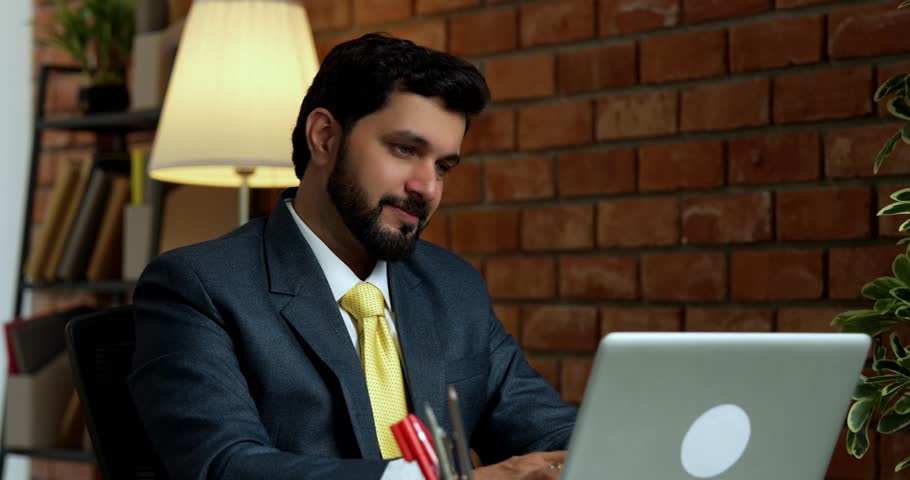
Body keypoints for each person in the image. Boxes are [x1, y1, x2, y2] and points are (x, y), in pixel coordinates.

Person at [129, 33, 577, 480]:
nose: (427, 188)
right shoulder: (198, 287)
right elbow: (224, 467)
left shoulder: (454, 286)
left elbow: (551, 431)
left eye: (442, 166)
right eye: (405, 149)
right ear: (324, 137)